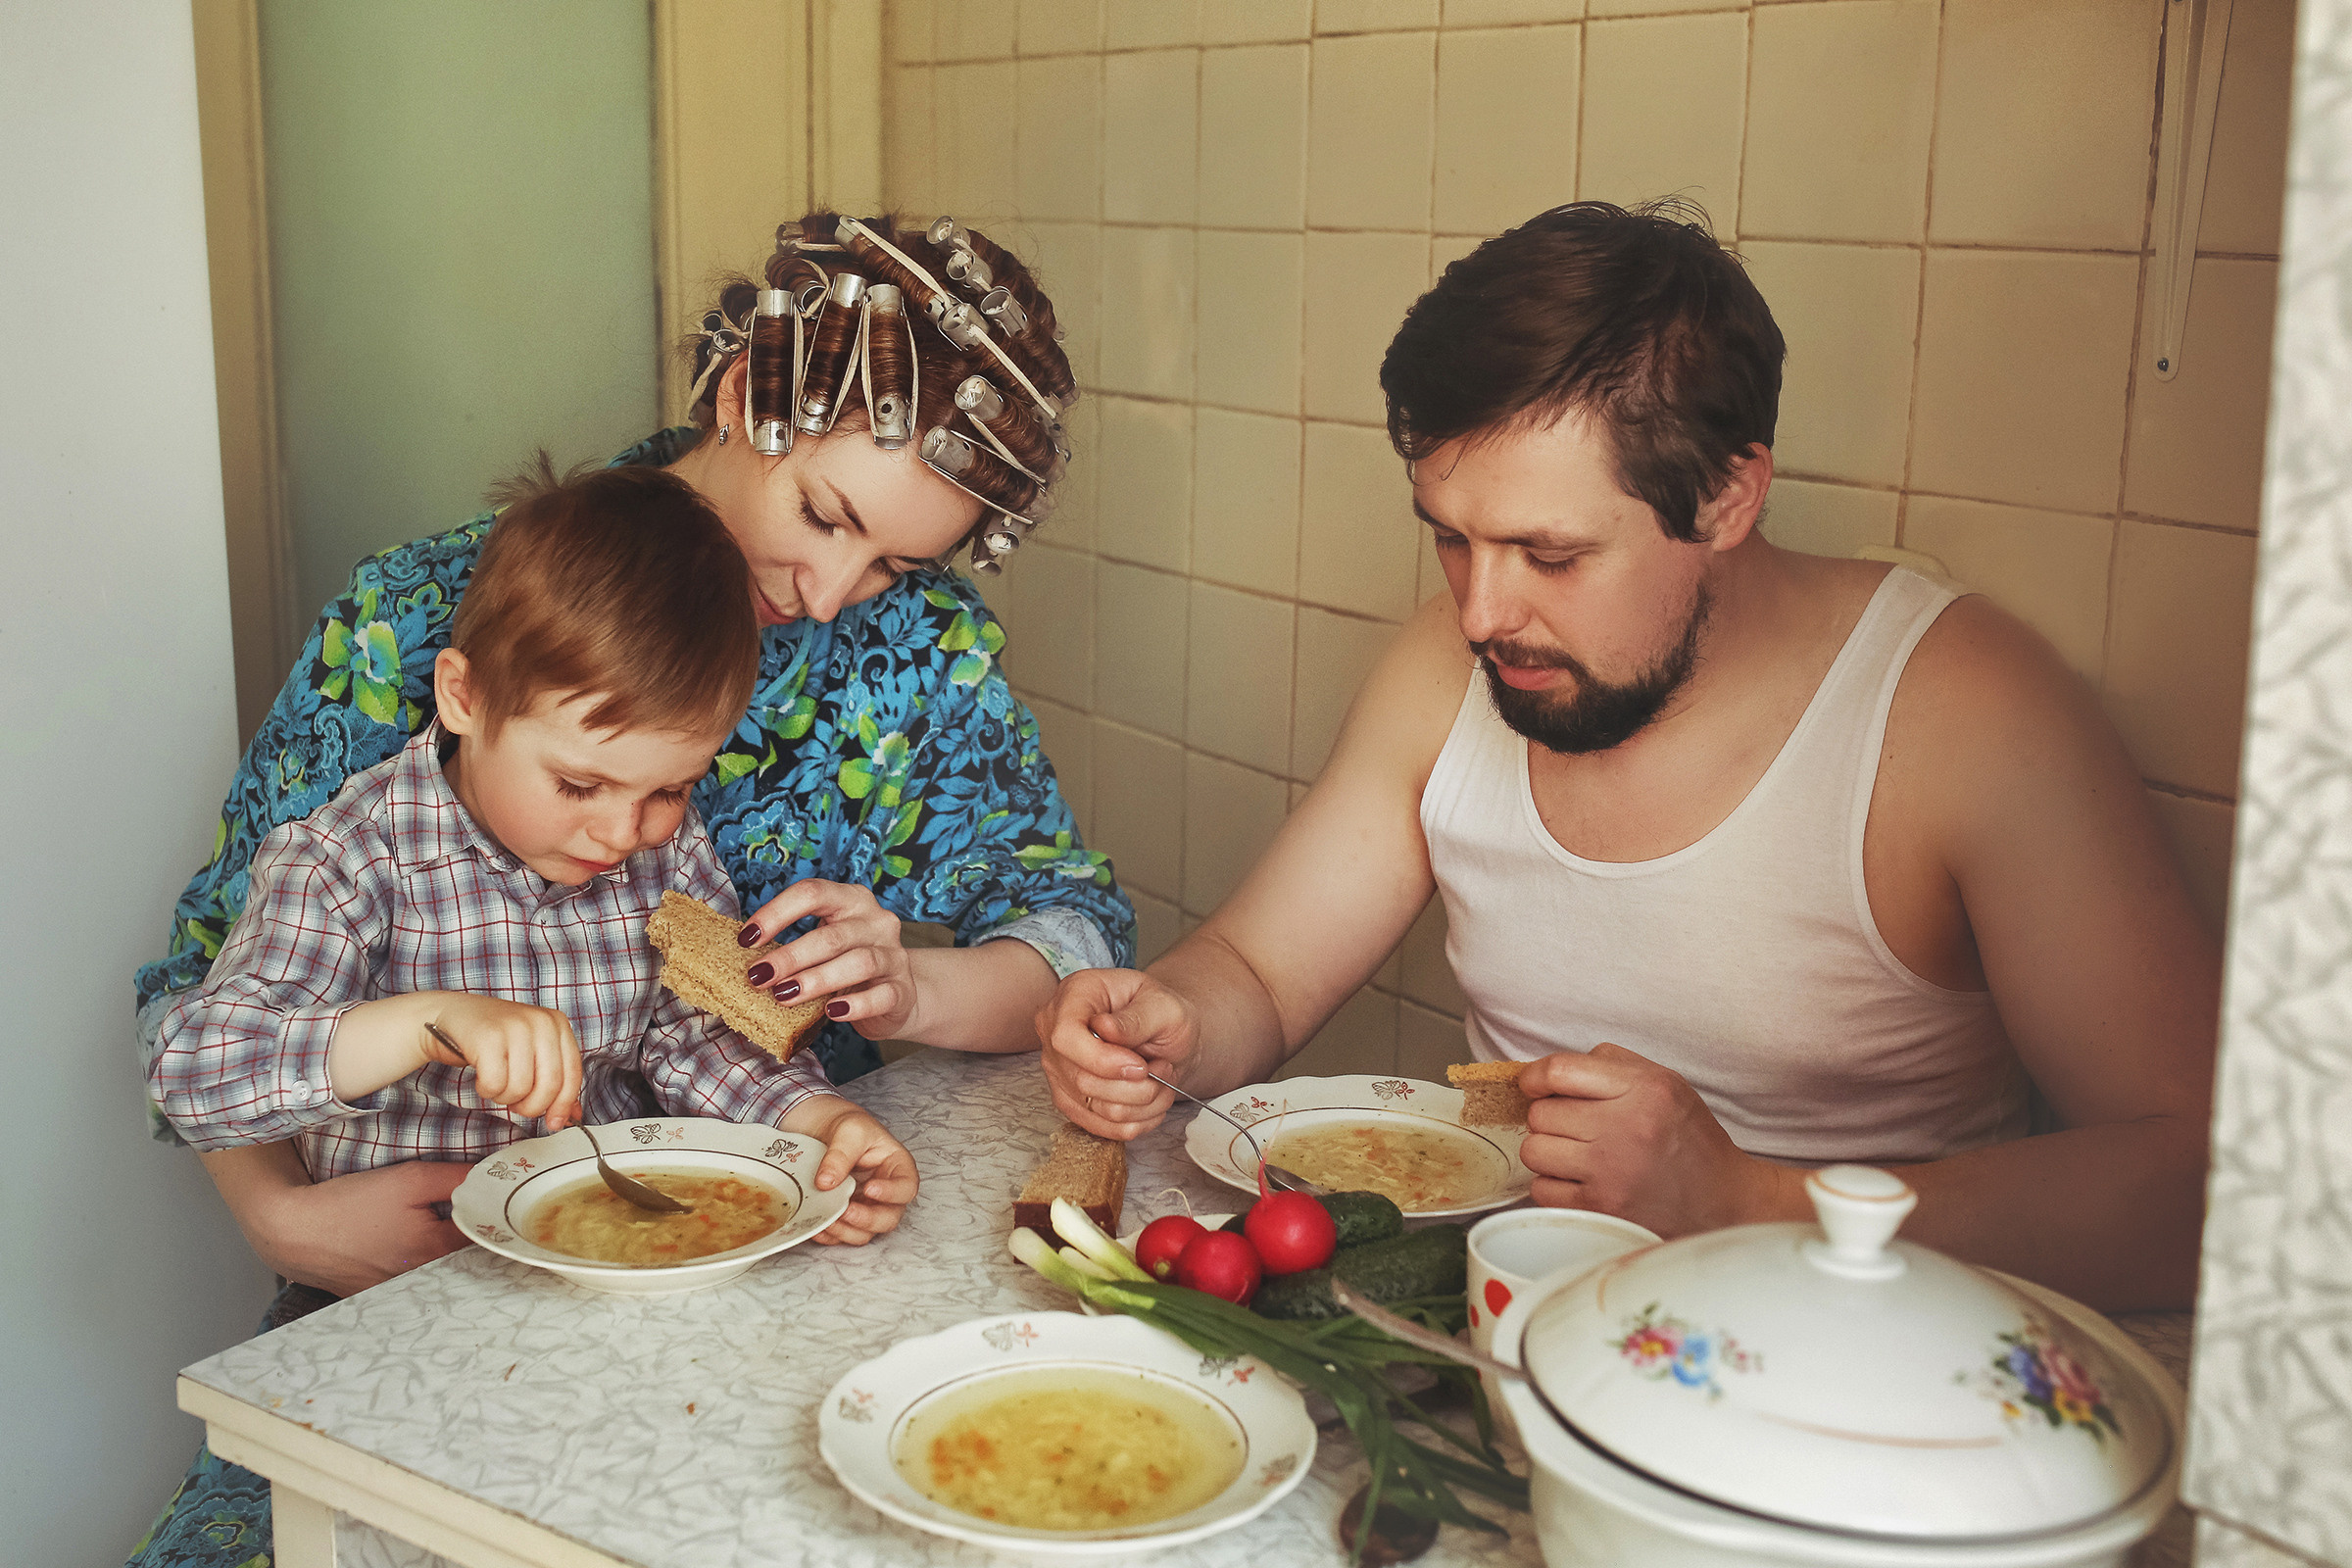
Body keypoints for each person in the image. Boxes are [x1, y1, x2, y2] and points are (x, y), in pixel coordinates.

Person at [128, 211, 1124, 1567]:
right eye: (825, 515)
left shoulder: (918, 660)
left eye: (895, 561)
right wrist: (285, 1219)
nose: (835, 595)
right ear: (741, 399)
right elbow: (197, 1000)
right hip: (404, 1288)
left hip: (747, 1273)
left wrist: (918, 989)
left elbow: (1072, 924)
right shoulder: (433, 610)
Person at [1037, 201, 2217, 1314]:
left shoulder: (1965, 712)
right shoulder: (1450, 665)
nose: (1484, 611)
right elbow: (1260, 967)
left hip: (1851, 1375)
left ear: (1726, 495)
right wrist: (1172, 1020)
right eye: (1451, 538)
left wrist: (1746, 1200)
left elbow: (2200, 1186)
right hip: (1510, 1332)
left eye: (1550, 554)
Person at [150, 459, 916, 1229]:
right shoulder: (347, 863)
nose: (623, 834)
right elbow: (196, 1075)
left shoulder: (669, 854)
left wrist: (818, 1127)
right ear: (464, 697)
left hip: (604, 1255)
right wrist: (428, 1023)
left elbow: (699, 1044)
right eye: (579, 786)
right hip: (402, 1292)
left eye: (670, 790)